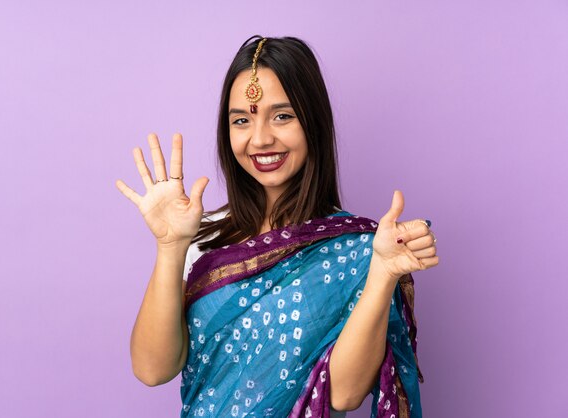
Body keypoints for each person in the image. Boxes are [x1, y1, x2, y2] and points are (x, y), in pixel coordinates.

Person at [115, 35, 438, 418]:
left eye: (282, 116)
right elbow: (153, 370)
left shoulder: (356, 250)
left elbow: (345, 394)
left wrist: (383, 272)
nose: (261, 139)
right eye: (241, 120)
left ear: (312, 121)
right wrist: (171, 247)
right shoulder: (202, 236)